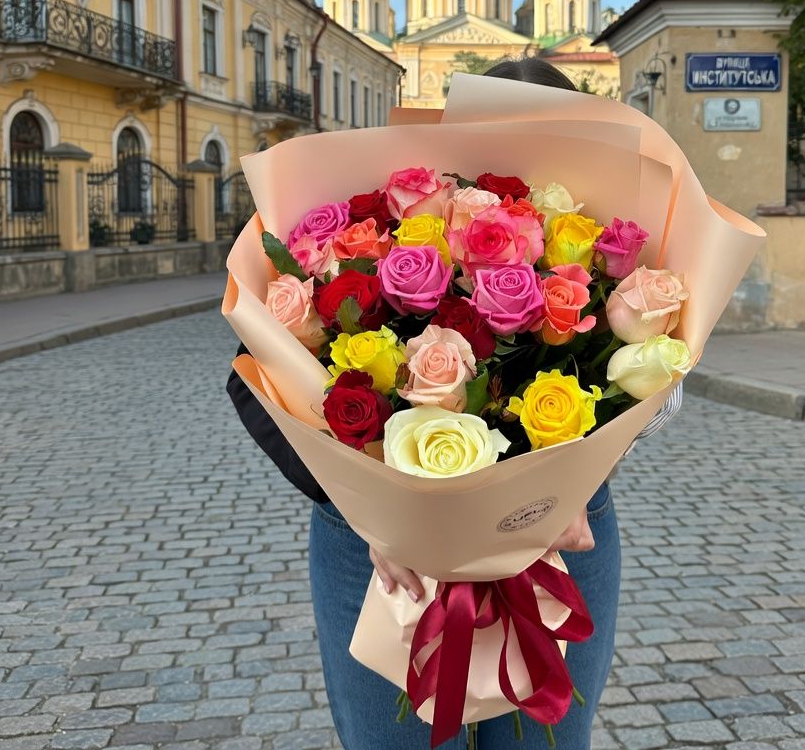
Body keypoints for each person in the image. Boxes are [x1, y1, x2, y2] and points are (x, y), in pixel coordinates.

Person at [226, 57, 682, 749]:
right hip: (377, 545)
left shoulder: (604, 236)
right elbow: (257, 380)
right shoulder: (387, 221)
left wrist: (571, 481)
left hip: (559, 532)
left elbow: (659, 383)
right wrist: (375, 509)